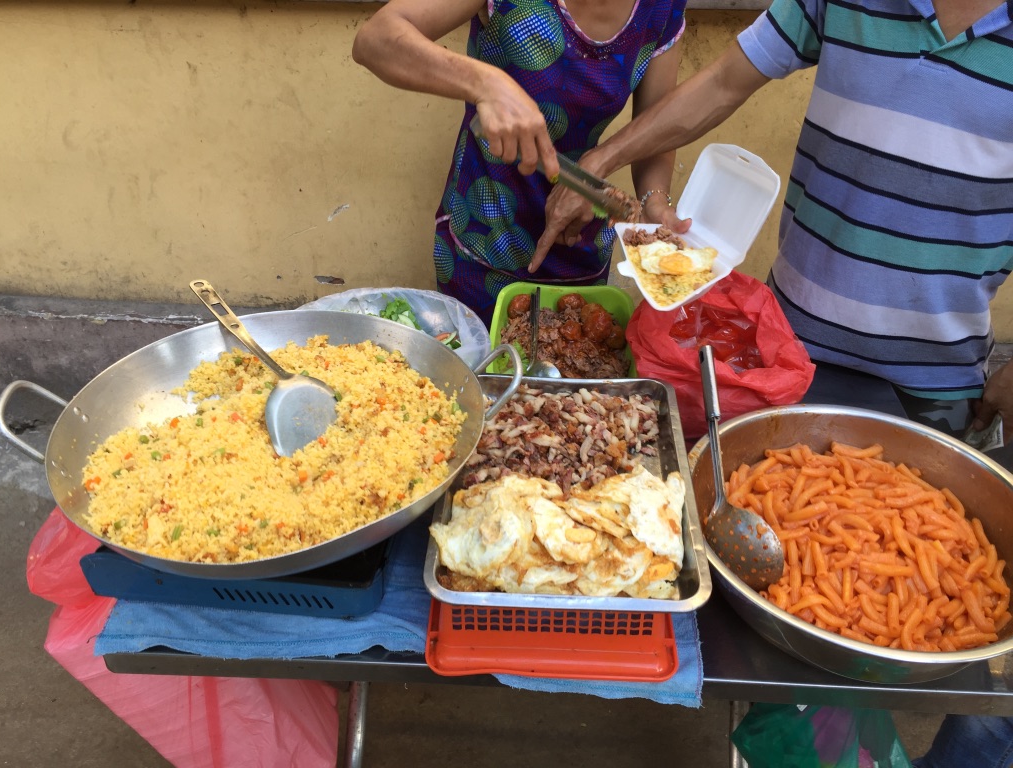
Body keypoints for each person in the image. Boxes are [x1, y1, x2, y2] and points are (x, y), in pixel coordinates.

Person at [531, 2, 1013, 765]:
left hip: (936, 382)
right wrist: (600, 167)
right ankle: (791, 742)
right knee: (783, 601)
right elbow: (722, 81)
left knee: (941, 605)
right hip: (794, 362)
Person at [351, 0, 691, 326]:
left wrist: (654, 200)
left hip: (578, 243)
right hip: (484, 236)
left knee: (572, 378)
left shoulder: (660, 7)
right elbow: (376, 40)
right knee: (478, 376)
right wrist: (486, 83)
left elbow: (655, 127)